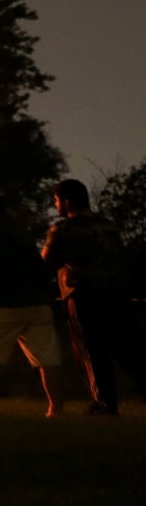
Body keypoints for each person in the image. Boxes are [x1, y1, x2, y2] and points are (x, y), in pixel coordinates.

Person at [42, 178, 146, 416]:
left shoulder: (63, 229)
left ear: (66, 201)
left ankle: (104, 403)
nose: (56, 205)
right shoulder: (108, 226)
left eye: (57, 201)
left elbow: (46, 263)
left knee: (91, 351)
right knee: (130, 350)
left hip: (82, 296)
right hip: (117, 294)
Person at [0, 194, 65, 416]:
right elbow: (40, 267)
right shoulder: (20, 233)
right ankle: (55, 408)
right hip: (37, 305)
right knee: (47, 358)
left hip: (4, 305)